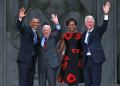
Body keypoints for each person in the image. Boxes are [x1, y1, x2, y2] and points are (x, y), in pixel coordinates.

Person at [81, 2, 110, 86]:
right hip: (86, 61)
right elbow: (81, 47)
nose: (89, 23)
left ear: (93, 23)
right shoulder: (83, 35)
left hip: (95, 60)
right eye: (88, 22)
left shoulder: (98, 31)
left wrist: (106, 14)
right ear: (85, 24)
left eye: (91, 22)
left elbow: (104, 26)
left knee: (96, 82)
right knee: (87, 83)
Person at [16, 7, 40, 86]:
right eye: (33, 22)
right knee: (23, 82)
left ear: (39, 24)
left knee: (30, 83)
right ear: (30, 23)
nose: (35, 24)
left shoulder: (37, 35)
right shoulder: (25, 29)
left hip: (32, 61)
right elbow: (19, 27)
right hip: (24, 60)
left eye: (37, 23)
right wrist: (20, 18)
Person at [37, 14, 62, 86]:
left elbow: (59, 33)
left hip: (51, 64)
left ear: (50, 32)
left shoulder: (53, 39)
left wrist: (57, 23)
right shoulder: (39, 41)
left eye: (48, 30)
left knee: (52, 83)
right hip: (42, 64)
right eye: (45, 30)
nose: (46, 32)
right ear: (42, 31)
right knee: (41, 83)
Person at [57, 18, 84, 86]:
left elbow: (84, 47)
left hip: (77, 59)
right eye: (69, 25)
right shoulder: (64, 35)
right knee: (69, 80)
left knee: (75, 80)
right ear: (67, 26)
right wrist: (49, 51)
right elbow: (60, 49)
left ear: (75, 25)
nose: (71, 26)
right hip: (68, 59)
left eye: (73, 25)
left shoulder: (80, 34)